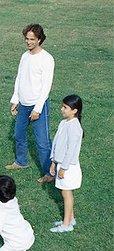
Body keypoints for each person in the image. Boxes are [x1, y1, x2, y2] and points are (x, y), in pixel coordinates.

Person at [6, 24, 55, 183]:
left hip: (37, 106)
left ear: (39, 39)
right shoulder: (24, 56)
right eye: (26, 39)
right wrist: (15, 100)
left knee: (42, 142)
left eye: (32, 39)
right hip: (24, 105)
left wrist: (38, 109)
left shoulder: (47, 59)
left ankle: (49, 173)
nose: (28, 42)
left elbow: (46, 86)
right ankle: (21, 162)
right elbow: (19, 78)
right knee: (19, 134)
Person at [49, 95, 83, 233]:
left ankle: (66, 224)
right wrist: (53, 162)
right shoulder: (63, 123)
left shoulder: (75, 127)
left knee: (66, 193)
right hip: (61, 164)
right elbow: (57, 144)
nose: (61, 109)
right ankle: (70, 218)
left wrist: (63, 168)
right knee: (65, 192)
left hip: (68, 166)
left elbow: (71, 151)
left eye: (65, 107)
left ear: (74, 111)